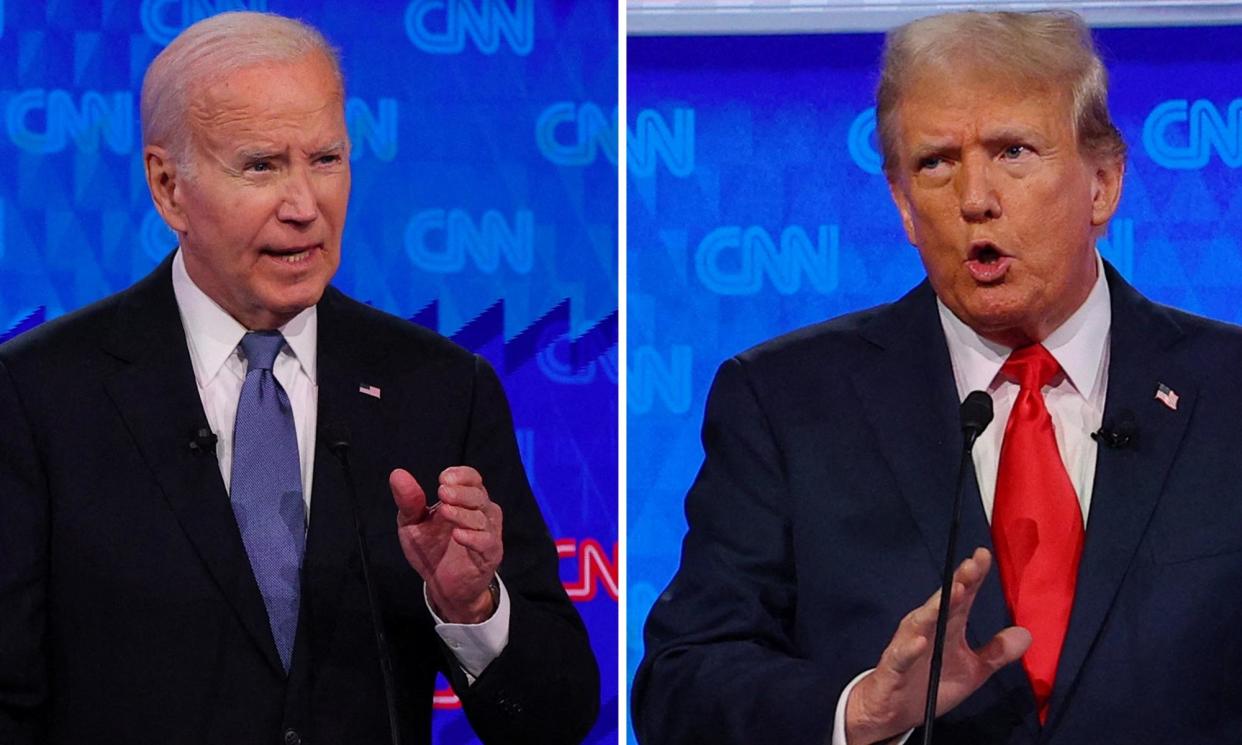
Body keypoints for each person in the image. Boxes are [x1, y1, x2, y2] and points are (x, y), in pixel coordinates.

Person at [633, 9, 1242, 745]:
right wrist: (861, 710)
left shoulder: (1229, 389)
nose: (975, 197)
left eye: (1014, 151)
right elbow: (681, 681)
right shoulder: (785, 402)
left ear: (1104, 184)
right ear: (903, 207)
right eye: (936, 162)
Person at [0, 11, 597, 744]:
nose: (304, 206)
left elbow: (557, 716)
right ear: (167, 187)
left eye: (325, 159)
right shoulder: (37, 396)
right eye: (261, 165)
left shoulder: (440, 389)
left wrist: (473, 609)